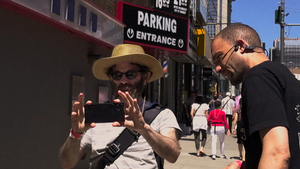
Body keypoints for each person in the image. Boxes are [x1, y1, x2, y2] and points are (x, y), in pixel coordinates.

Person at [59, 44, 182, 169]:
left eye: (131, 74)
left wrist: (145, 129)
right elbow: (66, 164)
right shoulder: (98, 115)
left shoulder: (161, 114)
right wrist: (75, 134)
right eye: (117, 75)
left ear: (146, 77)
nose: (123, 81)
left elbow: (173, 155)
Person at [212, 23, 300, 169]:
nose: (218, 68)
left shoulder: (257, 77)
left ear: (240, 46)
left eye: (220, 57)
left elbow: (277, 154)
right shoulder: (281, 74)